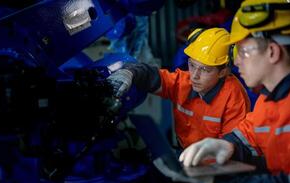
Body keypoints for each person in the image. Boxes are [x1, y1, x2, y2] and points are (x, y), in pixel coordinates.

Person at [179, 0, 290, 183]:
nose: (237, 61)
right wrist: (228, 145)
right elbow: (251, 133)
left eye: (243, 52)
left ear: (273, 52)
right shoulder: (269, 101)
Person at [107, 27, 250, 149]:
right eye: (192, 65)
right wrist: (129, 72)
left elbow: (231, 147)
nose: (194, 75)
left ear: (224, 72)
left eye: (205, 70)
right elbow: (151, 76)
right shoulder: (184, 82)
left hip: (217, 167)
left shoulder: (234, 97)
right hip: (184, 156)